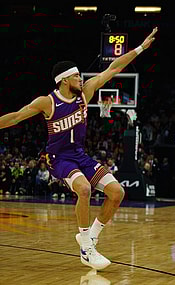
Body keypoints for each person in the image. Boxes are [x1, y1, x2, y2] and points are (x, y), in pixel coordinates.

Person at [0, 27, 158, 270]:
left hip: (80, 155)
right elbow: (15, 118)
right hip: (58, 157)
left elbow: (113, 68)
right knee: (84, 189)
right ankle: (86, 247)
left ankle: (91, 237)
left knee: (117, 192)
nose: (81, 80)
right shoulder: (48, 102)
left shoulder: (86, 93)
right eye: (76, 77)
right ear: (64, 80)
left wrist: (140, 48)